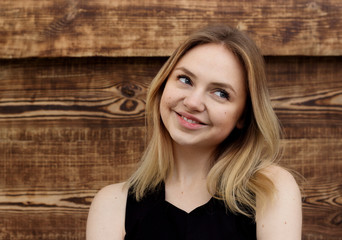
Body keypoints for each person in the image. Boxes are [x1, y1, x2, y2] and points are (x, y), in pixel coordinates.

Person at [86, 25, 302, 240]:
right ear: (163, 85)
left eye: (220, 93)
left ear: (243, 116)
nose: (193, 102)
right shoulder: (112, 205)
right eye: (185, 80)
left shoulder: (269, 189)